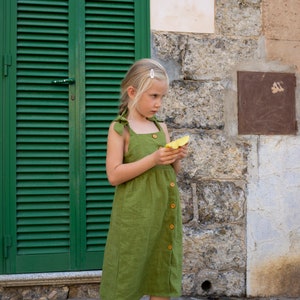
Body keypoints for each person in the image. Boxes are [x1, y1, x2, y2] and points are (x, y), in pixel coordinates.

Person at [100, 58, 188, 300]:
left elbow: (174, 172)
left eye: (162, 97)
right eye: (153, 96)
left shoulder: (161, 127)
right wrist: (153, 159)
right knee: (126, 278)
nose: (158, 104)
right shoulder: (120, 128)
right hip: (134, 218)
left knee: (161, 276)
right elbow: (113, 175)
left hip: (164, 214)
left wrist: (176, 156)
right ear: (132, 92)